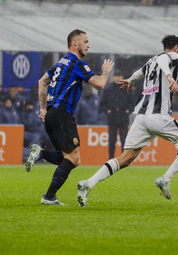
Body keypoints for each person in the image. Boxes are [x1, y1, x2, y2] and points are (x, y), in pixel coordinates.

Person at [77, 35, 178, 207]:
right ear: (176, 47)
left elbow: (139, 72)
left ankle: (88, 183)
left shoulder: (151, 61)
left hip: (141, 118)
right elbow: (165, 60)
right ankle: (166, 179)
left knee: (125, 158)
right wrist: (170, 77)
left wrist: (130, 80)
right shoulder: (170, 56)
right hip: (159, 116)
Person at [25, 29, 114, 205]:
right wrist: (105, 72)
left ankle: (39, 153)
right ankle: (49, 197)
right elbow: (100, 84)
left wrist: (43, 108)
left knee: (65, 157)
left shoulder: (60, 63)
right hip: (63, 114)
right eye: (85, 41)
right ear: (75, 43)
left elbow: (42, 81)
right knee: (74, 159)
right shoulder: (77, 64)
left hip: (52, 114)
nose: (88, 45)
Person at [100, 71, 135, 158]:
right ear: (113, 77)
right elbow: (102, 104)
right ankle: (111, 159)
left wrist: (128, 110)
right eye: (116, 76)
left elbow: (133, 103)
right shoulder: (108, 89)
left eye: (119, 76)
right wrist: (107, 111)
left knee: (124, 141)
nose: (118, 78)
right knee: (112, 141)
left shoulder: (127, 87)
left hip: (124, 118)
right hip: (112, 119)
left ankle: (124, 159)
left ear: (122, 77)